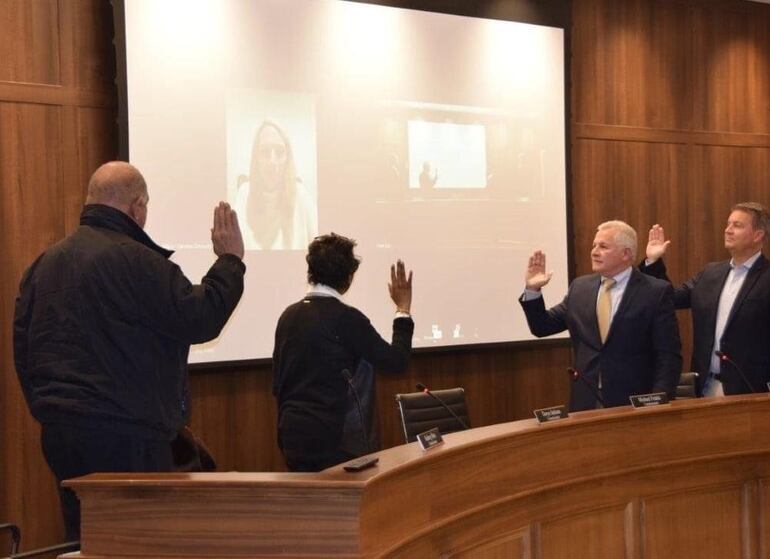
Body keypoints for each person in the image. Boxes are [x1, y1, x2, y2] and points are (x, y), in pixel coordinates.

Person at [13, 161, 246, 539]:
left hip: (60, 433)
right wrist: (230, 261)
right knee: (139, 541)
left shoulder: (42, 265)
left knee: (87, 539)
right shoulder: (140, 262)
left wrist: (51, 410)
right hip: (126, 435)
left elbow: (23, 349)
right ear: (138, 207)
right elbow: (200, 318)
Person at [272, 233, 414, 472]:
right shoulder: (346, 318)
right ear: (349, 277)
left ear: (311, 272)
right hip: (333, 439)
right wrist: (403, 310)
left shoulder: (288, 316)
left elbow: (278, 383)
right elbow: (396, 362)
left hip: (290, 436)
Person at [520, 220, 682, 411]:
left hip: (635, 402)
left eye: (603, 246)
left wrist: (659, 402)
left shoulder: (655, 291)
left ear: (626, 253)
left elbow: (668, 355)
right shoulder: (580, 288)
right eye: (594, 245)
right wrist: (533, 290)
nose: (594, 251)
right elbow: (542, 327)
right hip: (586, 401)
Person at [641, 202, 770, 396]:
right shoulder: (710, 273)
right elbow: (670, 299)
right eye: (728, 224)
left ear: (758, 235)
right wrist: (653, 262)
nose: (728, 230)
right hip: (705, 387)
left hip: (752, 391)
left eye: (737, 225)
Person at [235, 120, 317, 250]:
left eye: (279, 151)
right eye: (264, 152)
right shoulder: (244, 193)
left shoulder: (300, 194)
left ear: (288, 157)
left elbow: (319, 244)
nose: (272, 161)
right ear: (255, 158)